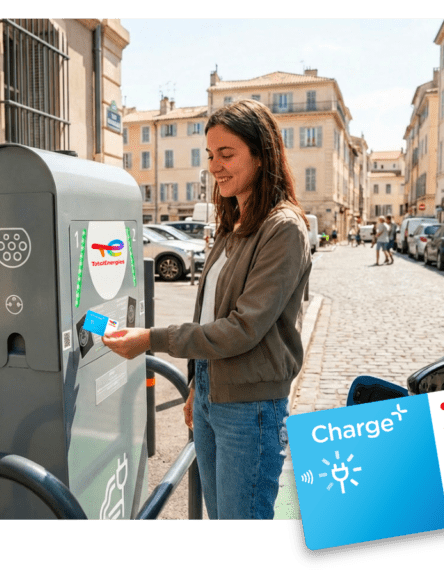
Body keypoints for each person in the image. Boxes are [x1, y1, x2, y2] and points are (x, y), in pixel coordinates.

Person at [102, 99, 312, 520]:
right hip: (212, 397)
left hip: (251, 411)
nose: (215, 166)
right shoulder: (233, 223)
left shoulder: (283, 228)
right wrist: (199, 381)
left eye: (227, 154)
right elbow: (209, 317)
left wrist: (151, 339)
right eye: (211, 155)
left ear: (261, 153)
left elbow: (241, 329)